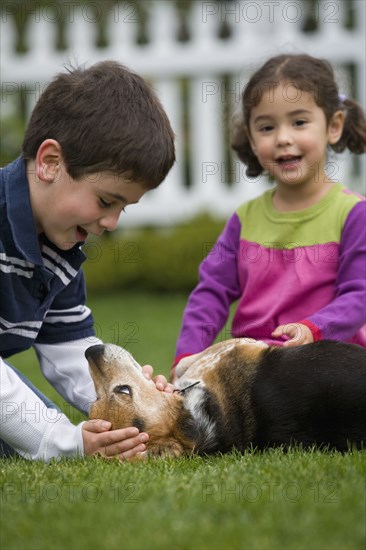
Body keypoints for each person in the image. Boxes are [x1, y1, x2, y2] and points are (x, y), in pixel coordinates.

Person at [0, 61, 176, 461]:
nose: (110, 222)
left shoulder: (60, 247)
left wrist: (125, 397)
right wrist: (62, 440)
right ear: (50, 162)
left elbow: (70, 346)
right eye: (104, 201)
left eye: (122, 209)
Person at [172, 53, 366, 379]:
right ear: (251, 138)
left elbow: (359, 294)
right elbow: (211, 292)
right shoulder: (245, 219)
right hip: (255, 369)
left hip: (329, 362)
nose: (283, 138)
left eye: (299, 122)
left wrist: (313, 328)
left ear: (333, 127)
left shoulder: (352, 214)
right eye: (267, 127)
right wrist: (188, 354)